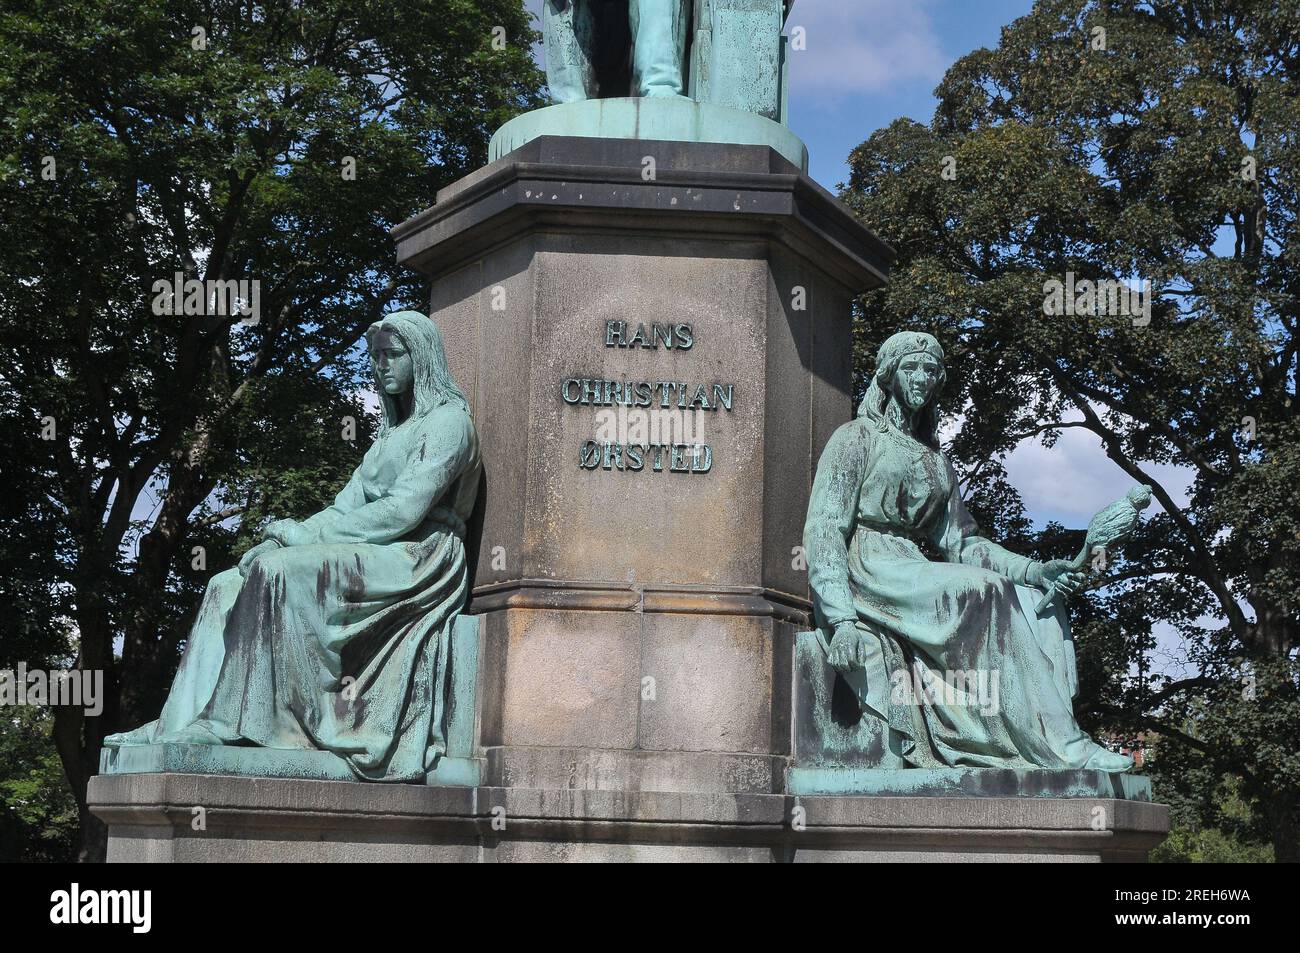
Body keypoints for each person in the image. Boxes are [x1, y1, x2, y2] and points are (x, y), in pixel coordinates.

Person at [105, 311, 481, 782]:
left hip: (418, 555)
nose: (382, 366)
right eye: (376, 356)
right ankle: (183, 721)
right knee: (227, 583)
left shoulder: (449, 424)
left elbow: (403, 512)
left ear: (422, 358)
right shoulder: (392, 435)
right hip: (378, 547)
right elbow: (344, 509)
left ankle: (273, 723)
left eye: (393, 355)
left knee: (279, 573)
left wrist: (304, 541)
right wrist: (285, 534)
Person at [803, 330, 1133, 772]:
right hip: (868, 567)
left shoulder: (935, 460)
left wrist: (1035, 571)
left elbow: (964, 544)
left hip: (909, 567)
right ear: (889, 375)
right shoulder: (857, 438)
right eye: (911, 367)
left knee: (1036, 605)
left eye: (931, 370)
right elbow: (824, 526)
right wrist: (840, 617)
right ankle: (1063, 747)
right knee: (986, 592)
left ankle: (1028, 740)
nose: (922, 377)